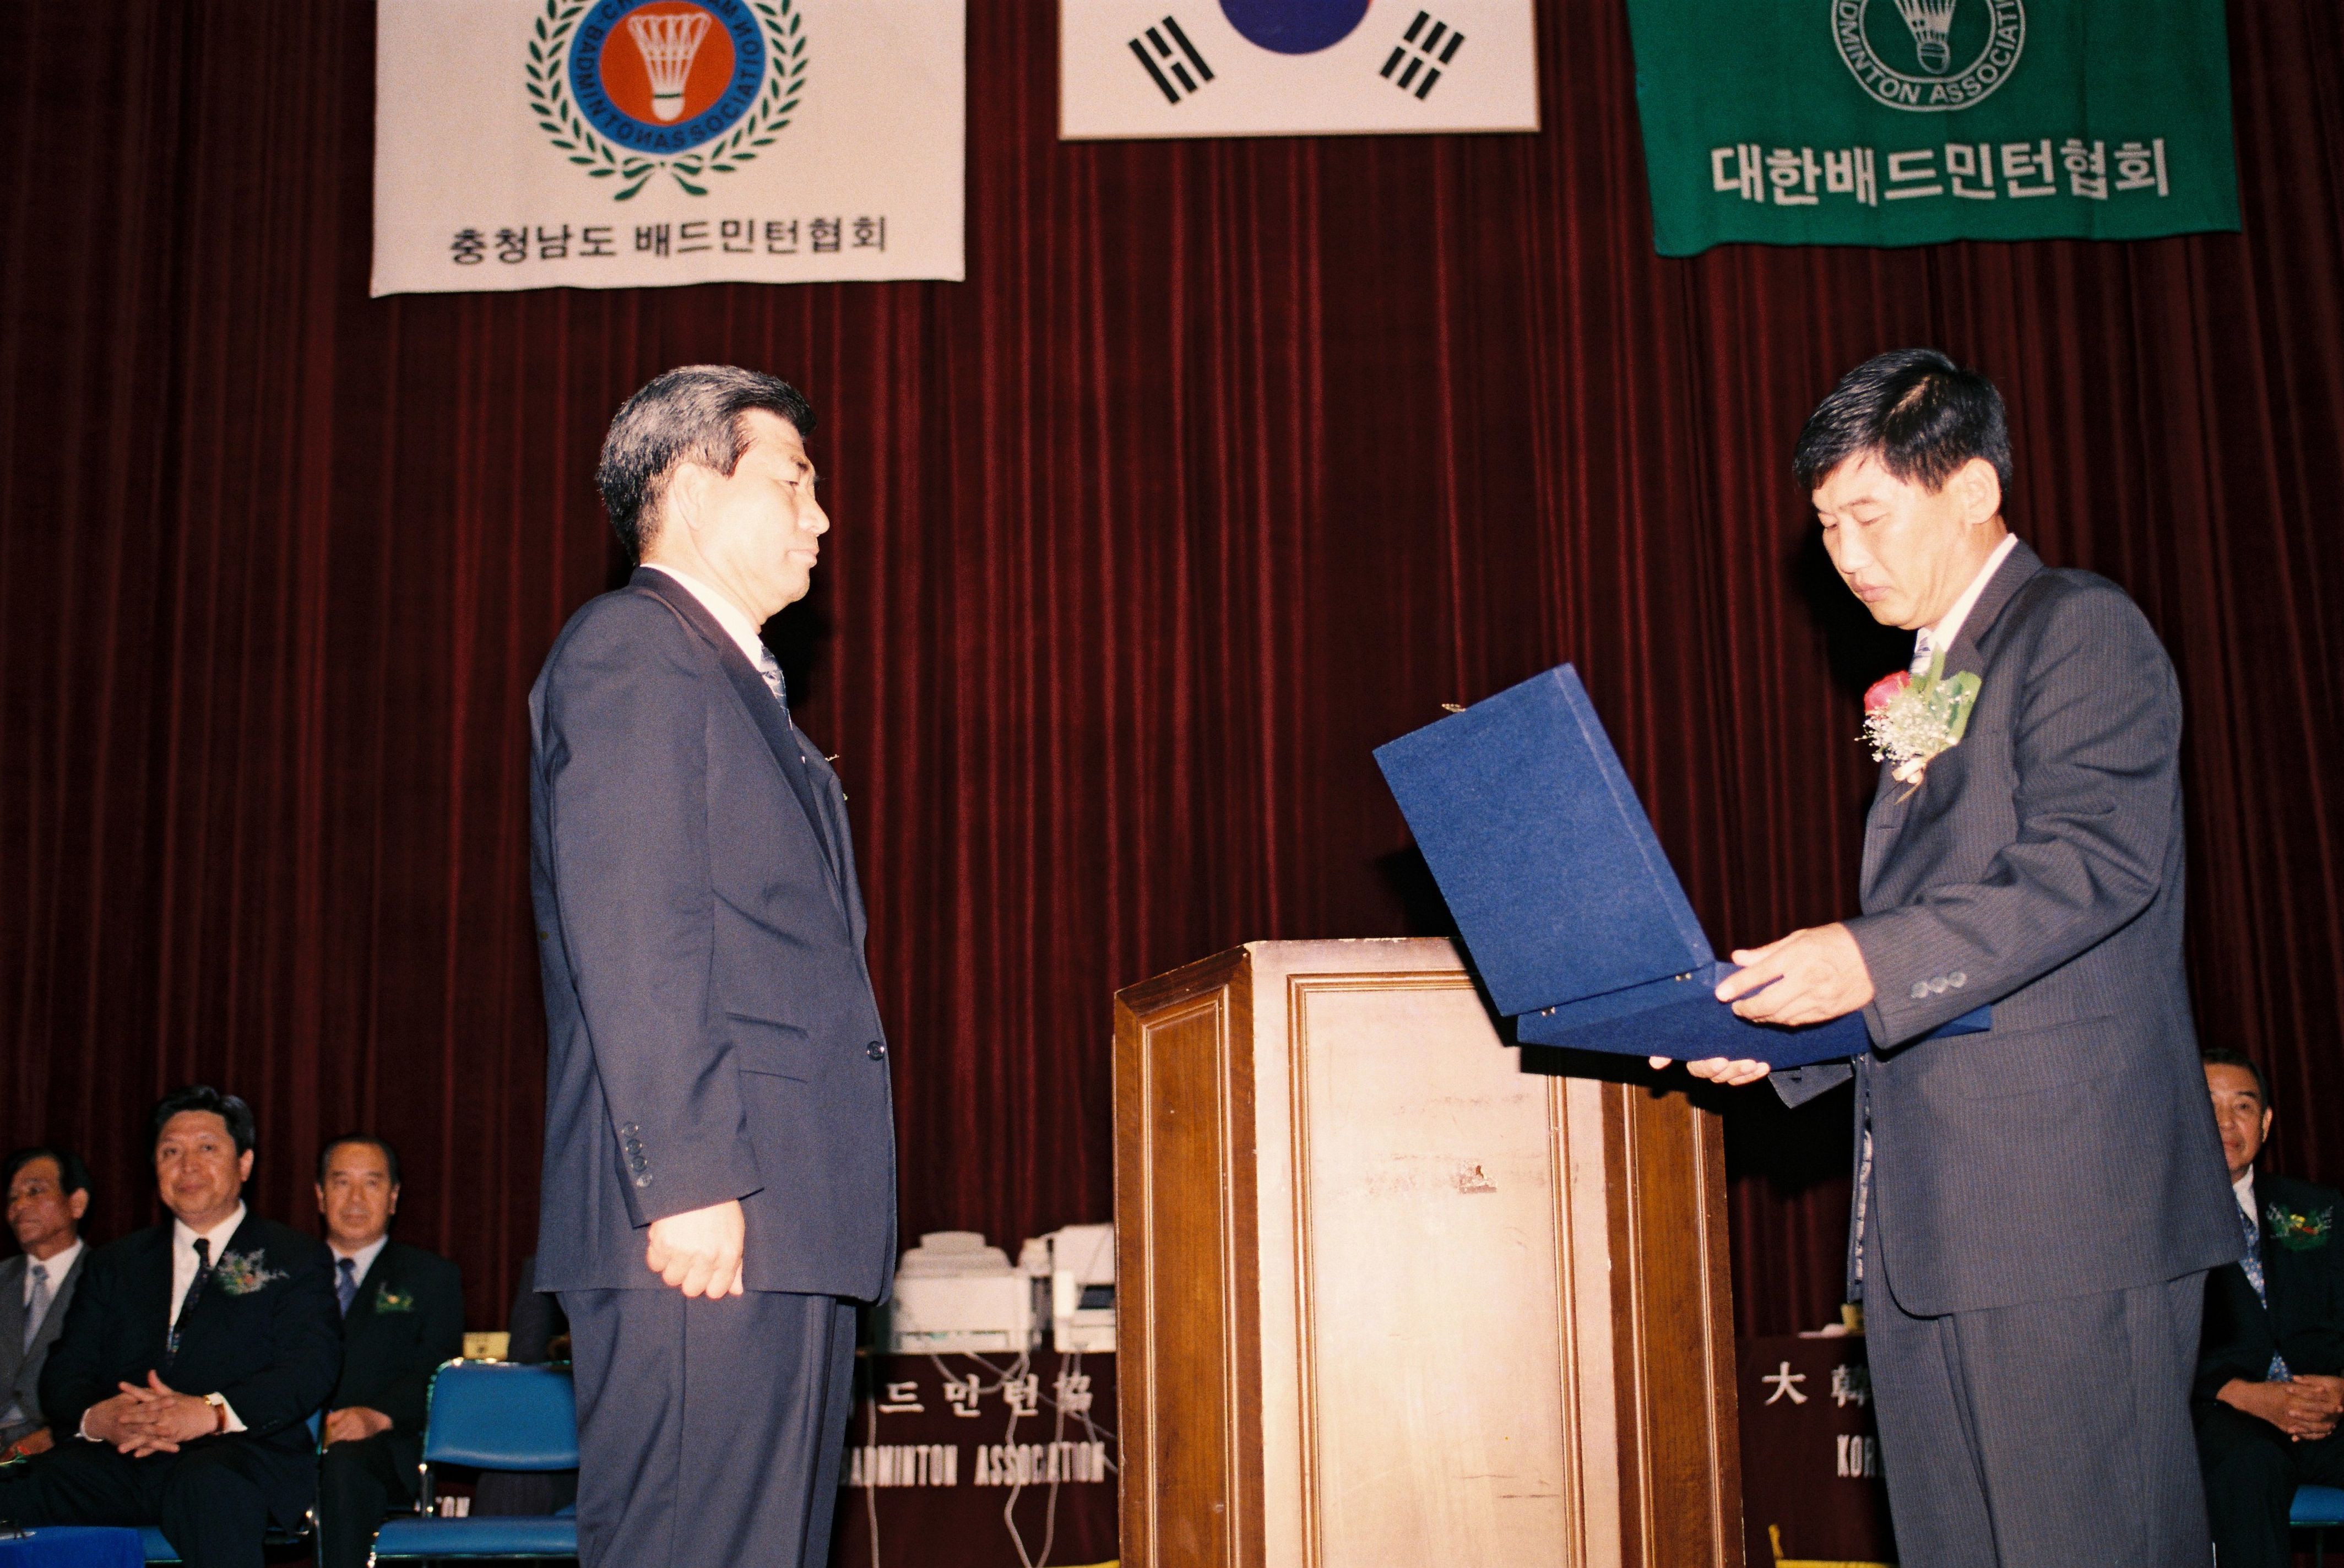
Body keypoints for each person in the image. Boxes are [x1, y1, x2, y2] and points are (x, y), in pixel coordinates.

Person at [1655, 350, 2238, 1566]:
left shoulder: (2076, 627)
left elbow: (2091, 865)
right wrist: (1779, 1036)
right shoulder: (1936, 669)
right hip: (1935, 1234)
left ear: (1972, 488)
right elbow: (1949, 953)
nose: (1844, 553)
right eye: (1825, 525)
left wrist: (1861, 961)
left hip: (2062, 1219)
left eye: (1869, 515)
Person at [528, 365, 897, 1568]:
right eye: (794, 480)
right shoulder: (636, 648)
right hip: (704, 1216)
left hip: (779, 1214)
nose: (820, 517)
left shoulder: (734, 684)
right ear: (692, 484)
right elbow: (634, 921)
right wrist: (686, 1177)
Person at [0, 1087, 341, 1567]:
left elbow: (310, 1368)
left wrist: (208, 1413)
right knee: (17, 1484)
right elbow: (63, 1371)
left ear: (244, 1163)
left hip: (236, 1451)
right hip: (122, 1453)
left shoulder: (295, 1256)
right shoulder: (117, 1262)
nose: (188, 1165)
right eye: (171, 1152)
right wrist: (100, 1417)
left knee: (208, 1488)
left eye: (207, 1148)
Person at [2195, 1050, 2344, 1567]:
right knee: (2250, 1465)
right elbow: (2146, 1344)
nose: (2226, 1121)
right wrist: (2240, 1393)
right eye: (2209, 1104)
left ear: (2265, 1122)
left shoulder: (2318, 1207)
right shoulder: (2153, 1220)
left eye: (2242, 1105)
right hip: (2223, 1411)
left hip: (2327, 1408)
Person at [311, 1135, 464, 1568]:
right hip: (293, 1442)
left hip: (384, 1449)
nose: (356, 1198)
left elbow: (436, 1369)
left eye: (372, 1183)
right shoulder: (288, 1273)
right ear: (320, 1195)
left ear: (394, 1196)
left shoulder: (431, 1277)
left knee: (344, 1464)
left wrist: (375, 1416)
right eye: (342, 1182)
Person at [0, 1147, 94, 1456]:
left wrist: (58, 1435)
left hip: (63, 1449)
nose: (19, 1207)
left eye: (35, 1192)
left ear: (76, 1203)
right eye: (12, 1198)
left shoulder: (109, 1279)